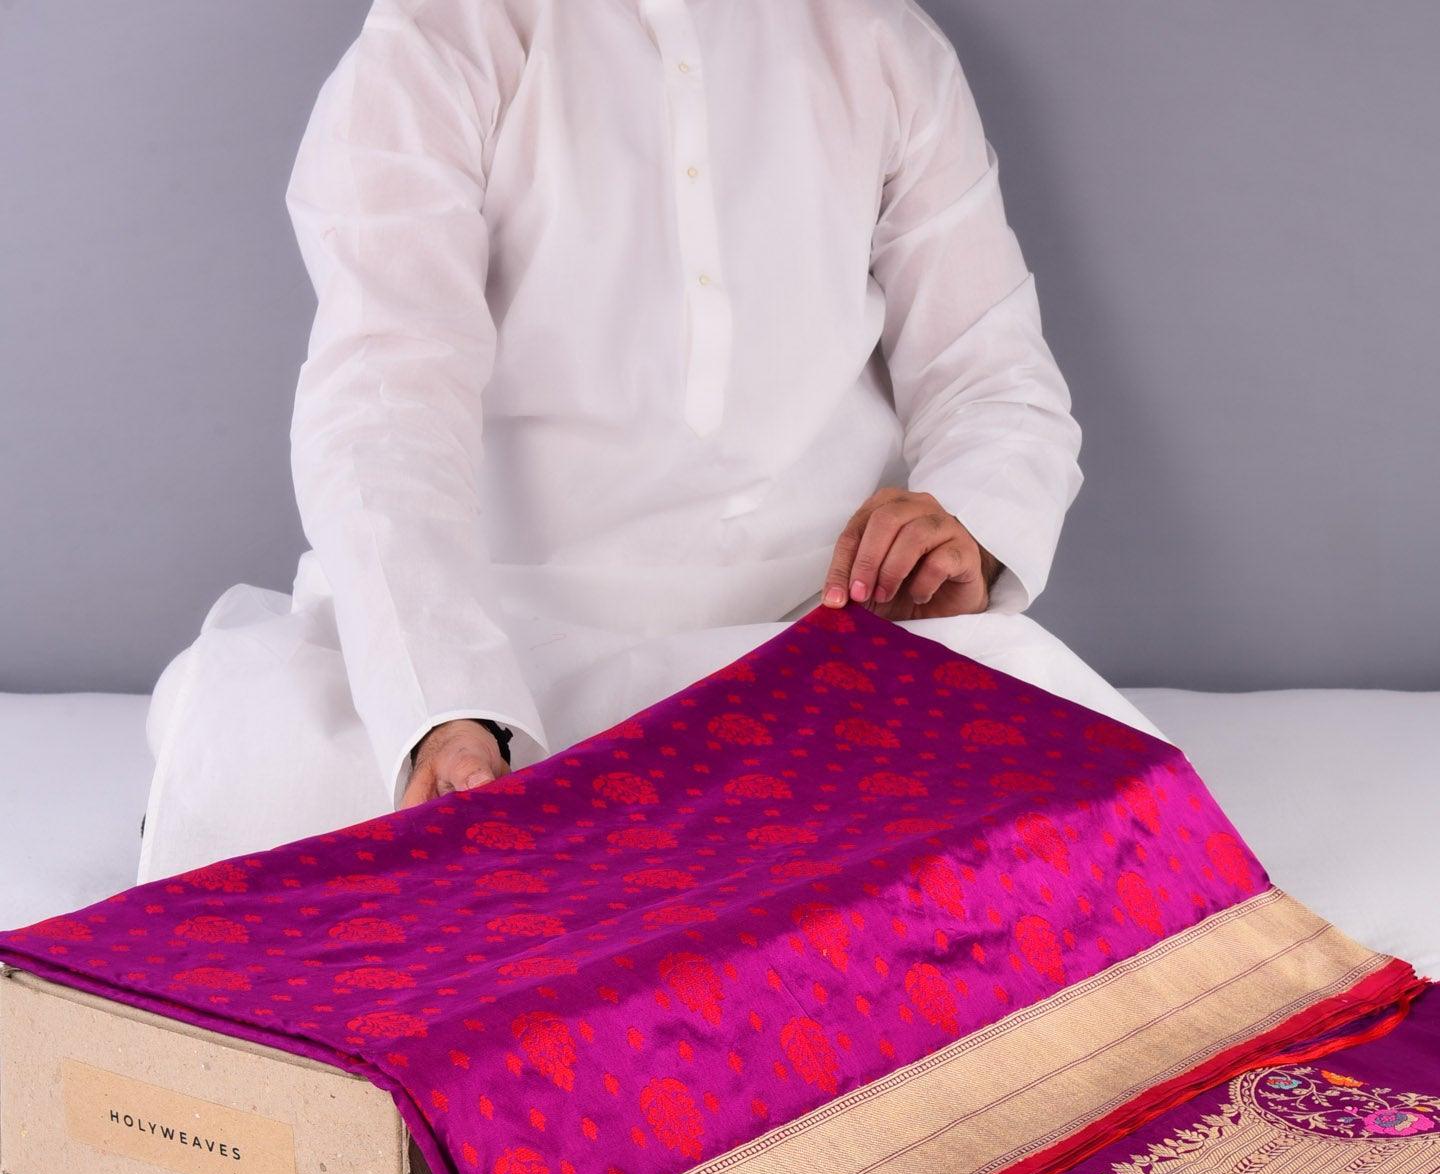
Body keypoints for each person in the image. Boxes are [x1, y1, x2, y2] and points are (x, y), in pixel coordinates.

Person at [137, 0, 1158, 883]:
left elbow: (995, 377)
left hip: (816, 652)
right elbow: (381, 401)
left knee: (1093, 798)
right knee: (274, 756)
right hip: (515, 655)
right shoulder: (442, 37)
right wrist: (447, 711)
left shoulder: (881, 41)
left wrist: (961, 529)